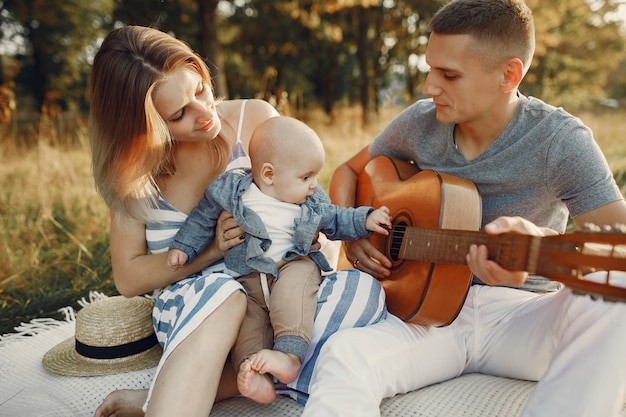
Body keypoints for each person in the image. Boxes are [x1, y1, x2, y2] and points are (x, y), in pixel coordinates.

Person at [302, 1, 626, 416]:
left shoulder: (560, 141)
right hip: (429, 318)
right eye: (430, 69)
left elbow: (616, 249)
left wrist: (538, 251)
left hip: (524, 319)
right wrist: (354, 233)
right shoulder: (420, 123)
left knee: (614, 288)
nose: (428, 87)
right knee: (344, 354)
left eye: (449, 75)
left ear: (509, 75)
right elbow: (350, 170)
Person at [89, 26, 387, 417]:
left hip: (273, 286)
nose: (204, 113)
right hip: (198, 304)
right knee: (223, 293)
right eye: (179, 114)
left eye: (199, 89)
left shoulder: (254, 119)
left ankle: (170, 391)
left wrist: (325, 235)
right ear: (145, 126)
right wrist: (210, 251)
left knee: (363, 295)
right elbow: (128, 278)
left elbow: (308, 198)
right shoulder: (134, 175)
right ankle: (188, 389)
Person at [166, 115, 391, 404]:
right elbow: (203, 217)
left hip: (293, 264)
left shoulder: (310, 202)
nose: (314, 185)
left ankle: (289, 356)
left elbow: (336, 218)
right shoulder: (233, 191)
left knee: (293, 295)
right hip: (248, 278)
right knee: (248, 322)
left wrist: (366, 218)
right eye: (306, 177)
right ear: (269, 174)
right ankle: (254, 371)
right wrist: (184, 246)